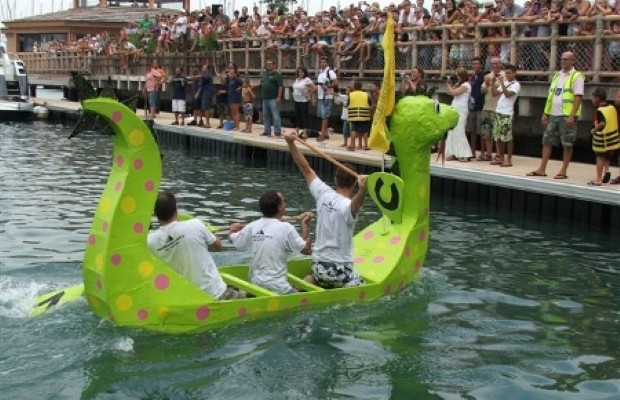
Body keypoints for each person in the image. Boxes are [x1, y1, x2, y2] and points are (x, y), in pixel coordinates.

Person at [284, 133, 366, 289]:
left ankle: (311, 281)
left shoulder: (323, 193)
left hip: (317, 265)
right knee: (362, 285)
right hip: (339, 272)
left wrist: (290, 143)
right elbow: (356, 204)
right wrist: (363, 190)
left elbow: (305, 168)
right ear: (353, 184)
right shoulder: (347, 206)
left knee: (315, 276)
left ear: (335, 180)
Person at [147, 191, 245, 300]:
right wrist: (207, 232)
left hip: (186, 299)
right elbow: (218, 246)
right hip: (215, 294)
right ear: (176, 209)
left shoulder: (149, 241)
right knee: (245, 293)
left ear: (155, 214)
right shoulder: (195, 224)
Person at [228, 191, 313, 294]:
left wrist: (232, 230)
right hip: (279, 287)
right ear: (280, 207)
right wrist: (305, 224)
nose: (286, 203)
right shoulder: (286, 228)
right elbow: (307, 250)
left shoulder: (252, 226)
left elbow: (234, 239)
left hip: (255, 284)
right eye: (284, 201)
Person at [527, 51, 584, 179]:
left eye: (566, 59)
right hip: (554, 113)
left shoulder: (577, 76)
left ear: (572, 61)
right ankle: (542, 168)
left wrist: (571, 115)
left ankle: (563, 170)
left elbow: (578, 97)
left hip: (566, 114)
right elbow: (551, 96)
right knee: (547, 140)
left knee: (567, 143)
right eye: (562, 59)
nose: (563, 61)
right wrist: (545, 113)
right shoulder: (557, 75)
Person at [490, 64, 520, 167]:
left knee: (507, 138)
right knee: (498, 137)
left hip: (507, 113)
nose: (507, 75)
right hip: (499, 111)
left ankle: (509, 159)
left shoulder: (516, 84)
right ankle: (501, 157)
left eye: (509, 73)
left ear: (514, 73)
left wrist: (502, 83)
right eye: (506, 73)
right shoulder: (505, 82)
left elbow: (508, 95)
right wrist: (493, 83)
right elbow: (494, 94)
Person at [588, 88, 619, 186]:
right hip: (612, 140)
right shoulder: (611, 107)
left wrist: (594, 130)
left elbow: (602, 123)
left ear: (597, 98)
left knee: (599, 158)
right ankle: (607, 171)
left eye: (593, 98)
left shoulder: (599, 111)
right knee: (606, 157)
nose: (592, 100)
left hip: (602, 140)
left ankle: (598, 179)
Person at [445, 67, 473, 161]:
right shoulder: (458, 84)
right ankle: (452, 152)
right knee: (452, 131)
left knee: (459, 130)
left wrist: (449, 85)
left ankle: (464, 153)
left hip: (461, 109)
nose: (456, 76)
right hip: (454, 108)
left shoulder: (466, 85)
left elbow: (455, 93)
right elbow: (449, 92)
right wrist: (449, 83)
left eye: (457, 75)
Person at [479, 56, 504, 161]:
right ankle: (488, 154)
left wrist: (493, 83)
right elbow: (482, 91)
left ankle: (498, 154)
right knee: (486, 132)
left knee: (497, 133)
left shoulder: (504, 75)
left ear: (500, 64)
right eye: (493, 64)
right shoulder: (488, 75)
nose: (494, 65)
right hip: (487, 107)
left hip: (498, 108)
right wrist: (486, 85)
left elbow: (497, 92)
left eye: (496, 63)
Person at [466, 57, 486, 159]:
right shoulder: (472, 77)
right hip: (472, 107)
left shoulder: (484, 76)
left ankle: (483, 152)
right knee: (472, 130)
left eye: (477, 64)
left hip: (481, 106)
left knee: (481, 131)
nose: (475, 66)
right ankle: (472, 151)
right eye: (473, 64)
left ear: (481, 65)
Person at [315, 56, 338, 141]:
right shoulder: (320, 72)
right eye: (321, 62)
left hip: (327, 96)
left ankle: (322, 134)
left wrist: (327, 86)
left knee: (325, 116)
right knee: (323, 116)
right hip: (320, 96)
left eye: (324, 62)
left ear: (327, 63)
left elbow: (335, 82)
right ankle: (326, 133)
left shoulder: (330, 72)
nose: (323, 64)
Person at [260, 60, 284, 137]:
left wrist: (279, 96)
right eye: (267, 64)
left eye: (270, 64)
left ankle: (277, 132)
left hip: (273, 99)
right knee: (266, 116)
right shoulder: (264, 74)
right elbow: (262, 84)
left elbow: (280, 86)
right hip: (265, 98)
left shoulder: (277, 75)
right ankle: (267, 131)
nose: (269, 65)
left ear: (274, 65)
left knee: (275, 116)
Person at [347, 80, 373, 151]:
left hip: (354, 115)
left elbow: (347, 105)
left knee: (354, 130)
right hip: (364, 115)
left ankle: (352, 145)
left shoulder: (351, 94)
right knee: (365, 131)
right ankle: (366, 145)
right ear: (361, 87)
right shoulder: (366, 94)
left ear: (354, 87)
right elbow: (370, 105)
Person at [291, 66, 315, 139]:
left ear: (304, 73)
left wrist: (308, 94)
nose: (300, 73)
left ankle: (305, 133)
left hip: (303, 101)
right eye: (299, 72)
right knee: (297, 116)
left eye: (302, 72)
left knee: (304, 116)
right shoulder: (297, 79)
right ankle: (297, 131)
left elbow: (314, 88)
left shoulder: (307, 80)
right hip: (296, 99)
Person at [227, 66, 243, 130]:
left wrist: (239, 88)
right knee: (232, 112)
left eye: (232, 73)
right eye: (230, 73)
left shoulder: (237, 79)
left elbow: (244, 84)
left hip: (235, 97)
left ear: (236, 74)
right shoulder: (231, 79)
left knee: (236, 112)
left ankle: (237, 126)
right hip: (230, 97)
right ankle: (234, 124)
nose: (231, 74)